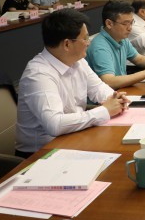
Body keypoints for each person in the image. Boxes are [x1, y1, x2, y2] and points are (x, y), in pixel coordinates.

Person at [16, 9, 129, 158]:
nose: (89, 43)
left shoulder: (78, 61)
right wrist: (104, 111)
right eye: (85, 38)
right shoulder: (38, 74)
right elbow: (55, 124)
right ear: (67, 44)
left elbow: (98, 88)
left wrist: (116, 99)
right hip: (41, 154)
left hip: (74, 137)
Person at [86, 1, 145, 89]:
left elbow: (138, 59)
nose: (130, 28)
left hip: (121, 90)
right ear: (109, 24)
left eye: (131, 22)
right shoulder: (100, 47)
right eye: (125, 23)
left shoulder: (121, 38)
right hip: (108, 96)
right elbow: (109, 81)